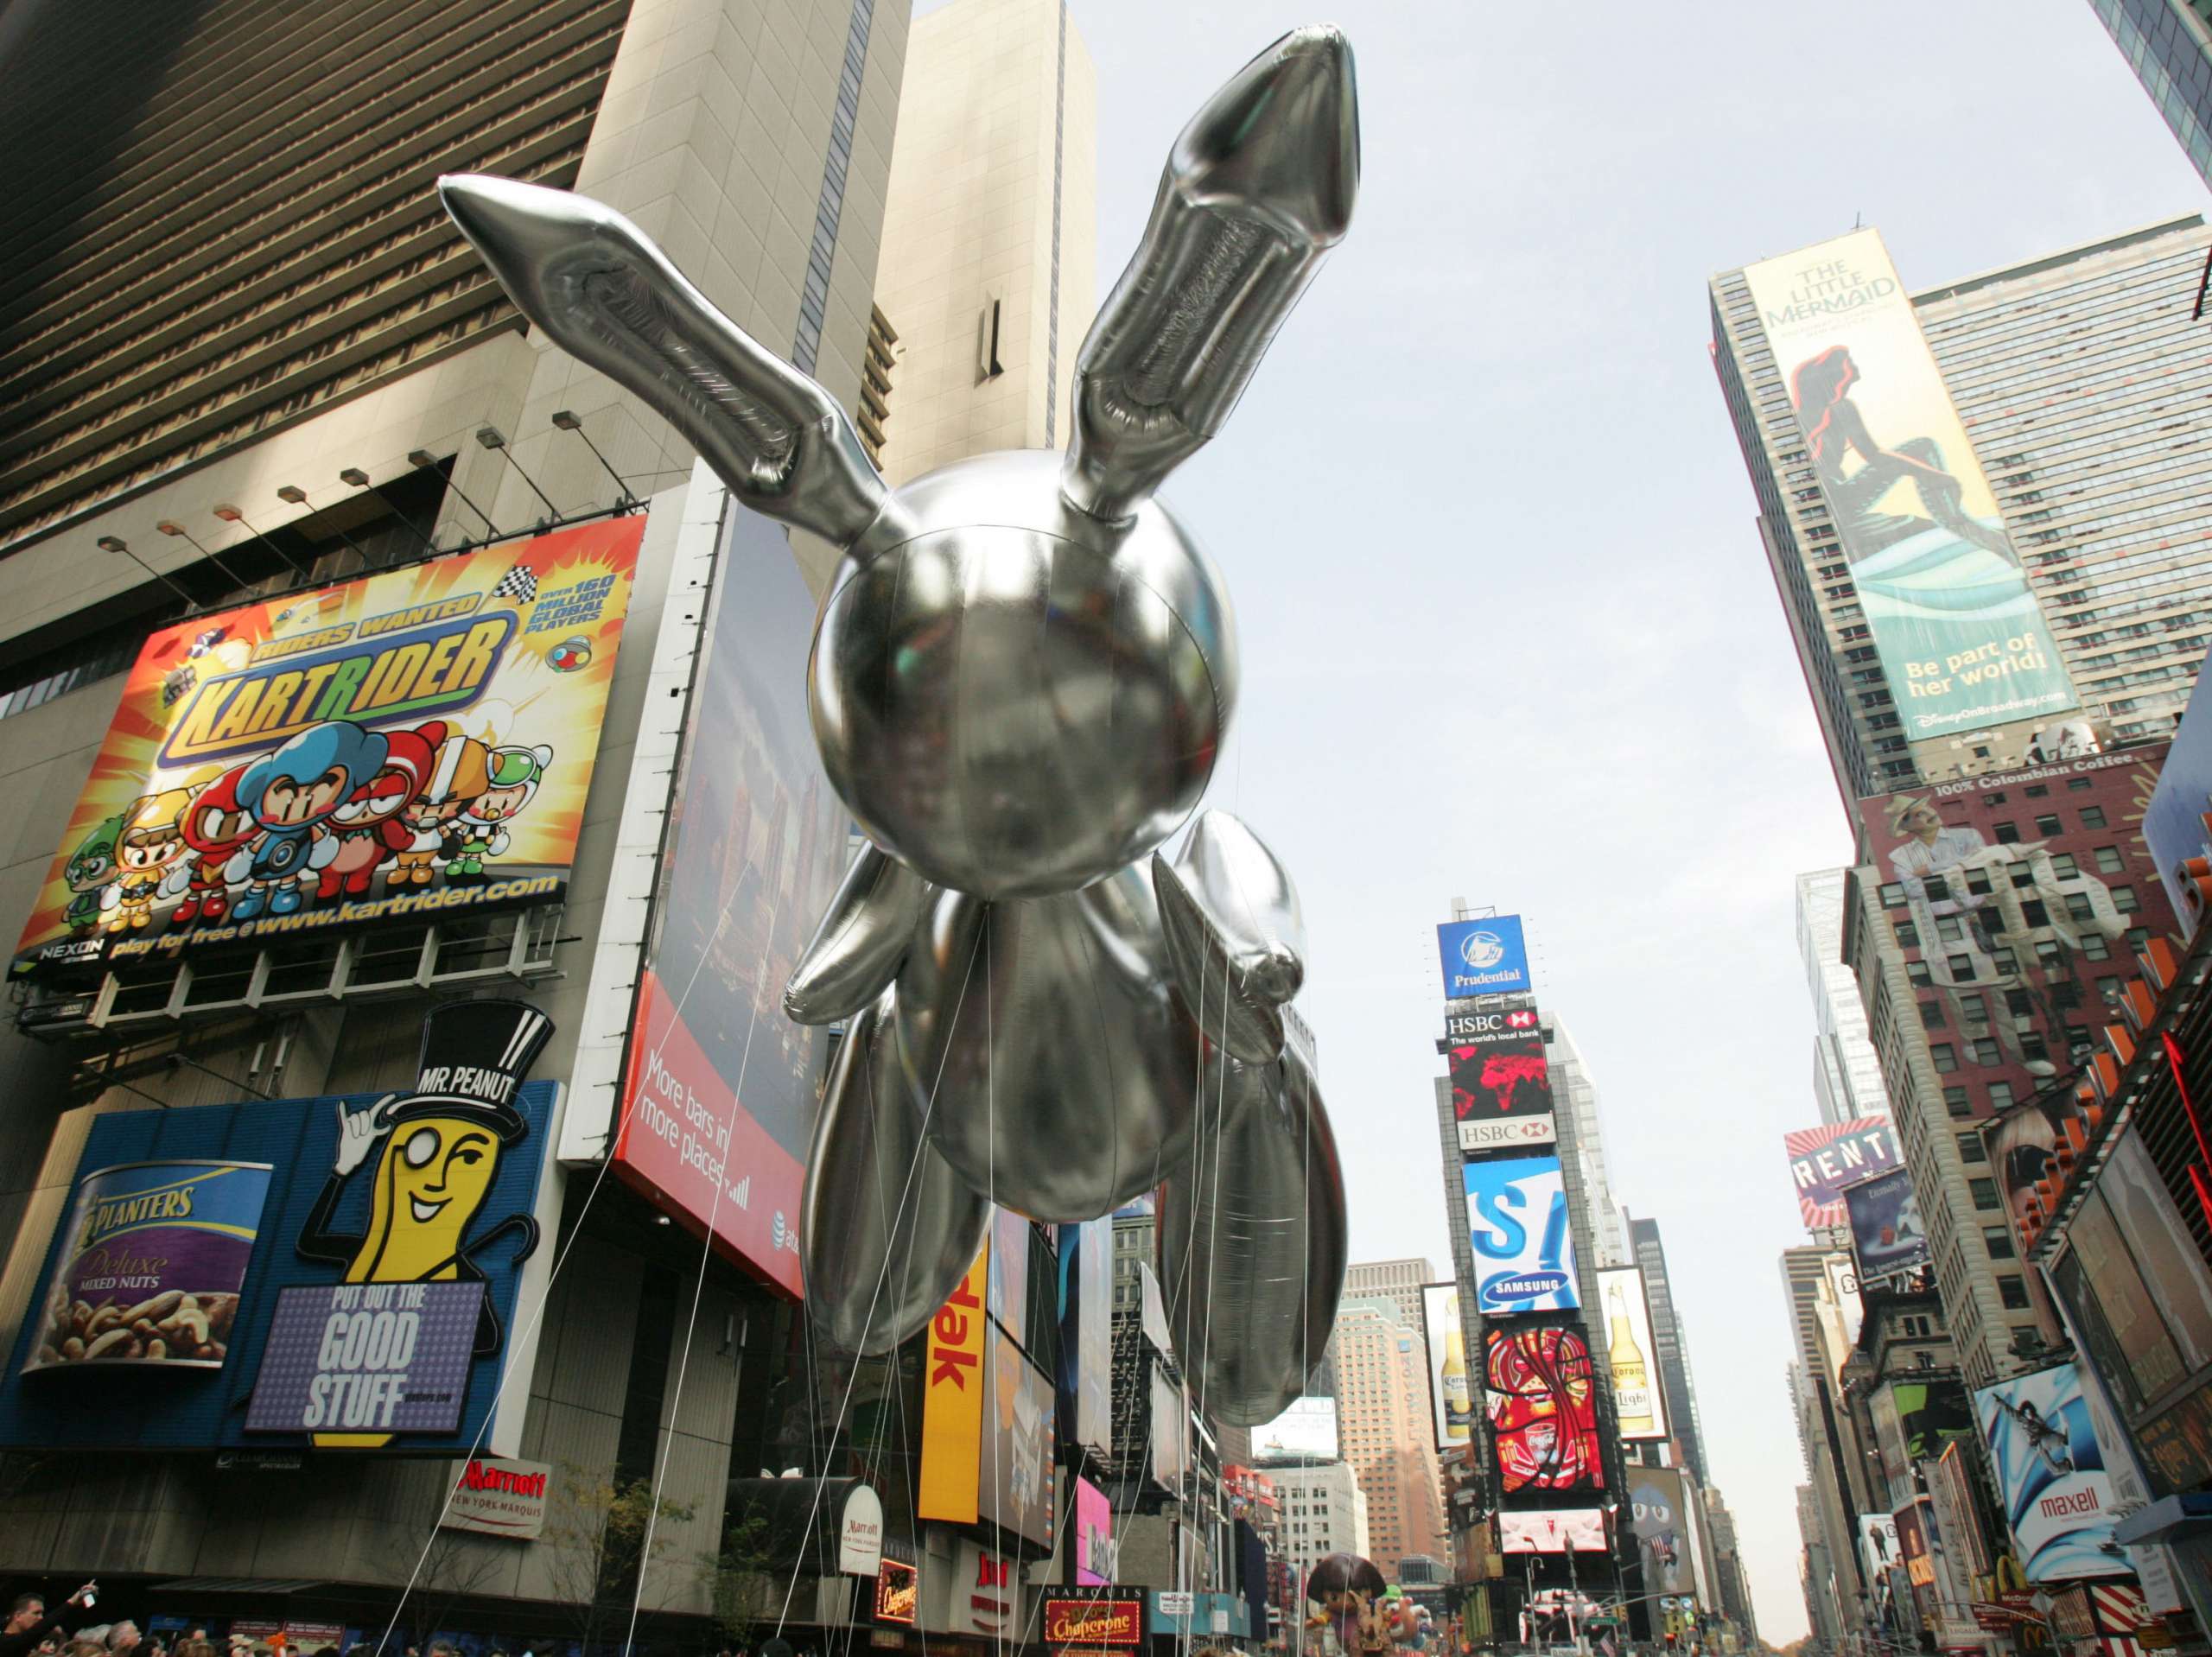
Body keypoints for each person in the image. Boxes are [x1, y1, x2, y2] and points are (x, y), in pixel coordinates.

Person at [1789, 344, 2019, 566]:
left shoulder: (1840, 408)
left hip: (1840, 496)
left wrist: (1930, 474)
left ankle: (1960, 521)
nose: (1855, 367)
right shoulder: (1822, 413)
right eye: (1850, 363)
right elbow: (1874, 457)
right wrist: (1933, 475)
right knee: (1923, 450)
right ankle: (1960, 522)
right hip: (1836, 501)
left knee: (1923, 448)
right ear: (1834, 375)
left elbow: (1875, 455)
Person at [2, 1587, 99, 1657]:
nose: (40, 1618)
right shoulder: (6, 1644)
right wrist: (71, 1602)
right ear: (18, 1616)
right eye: (36, 1613)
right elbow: (41, 1628)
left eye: (42, 1613)